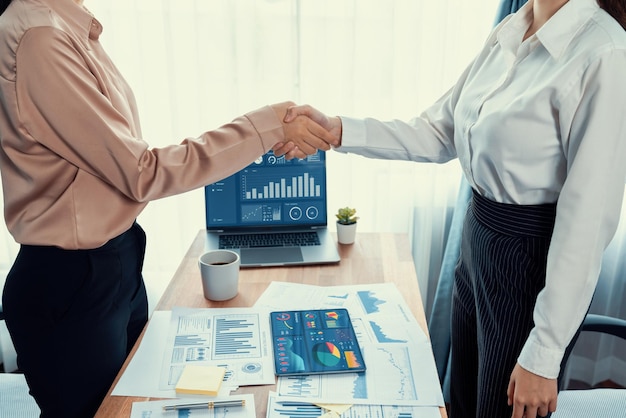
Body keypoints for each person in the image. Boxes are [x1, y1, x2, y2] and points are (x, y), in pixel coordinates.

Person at [277, 0, 626, 417]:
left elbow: (586, 223)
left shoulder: (605, 52)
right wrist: (338, 130)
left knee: (499, 409)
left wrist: (545, 354)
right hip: (478, 237)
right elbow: (439, 131)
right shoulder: (513, 30)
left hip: (532, 257)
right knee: (461, 399)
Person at [0, 0, 338, 417]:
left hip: (114, 260)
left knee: (139, 404)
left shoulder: (68, 25)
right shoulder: (41, 38)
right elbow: (142, 172)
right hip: (71, 282)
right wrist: (267, 126)